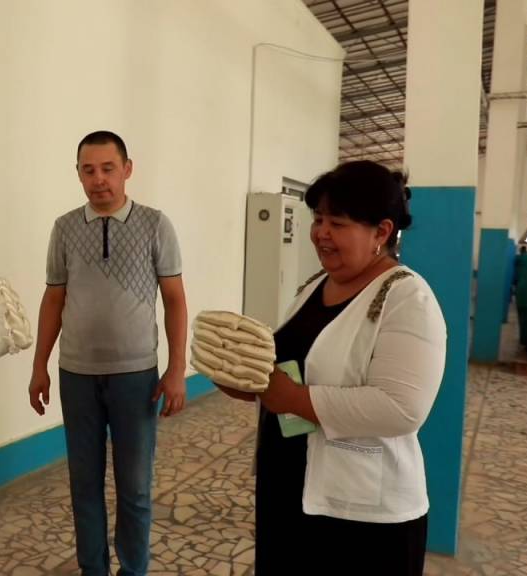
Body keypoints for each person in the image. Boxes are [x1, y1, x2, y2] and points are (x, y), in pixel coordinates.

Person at [215, 160, 446, 575]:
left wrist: (294, 399)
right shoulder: (314, 286)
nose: (321, 232)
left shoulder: (407, 298)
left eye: (337, 223)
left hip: (360, 515)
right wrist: (249, 384)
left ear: (382, 231)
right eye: (318, 218)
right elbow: (292, 369)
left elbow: (402, 408)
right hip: (288, 489)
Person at [29, 130, 188, 576]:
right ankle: (92, 569)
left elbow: (175, 299)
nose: (98, 179)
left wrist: (177, 369)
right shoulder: (64, 228)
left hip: (136, 376)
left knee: (135, 488)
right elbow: (53, 299)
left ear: (127, 169)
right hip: (76, 375)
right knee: (84, 486)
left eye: (108, 168)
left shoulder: (155, 225)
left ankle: (133, 570)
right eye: (89, 170)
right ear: (78, 174)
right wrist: (39, 365)